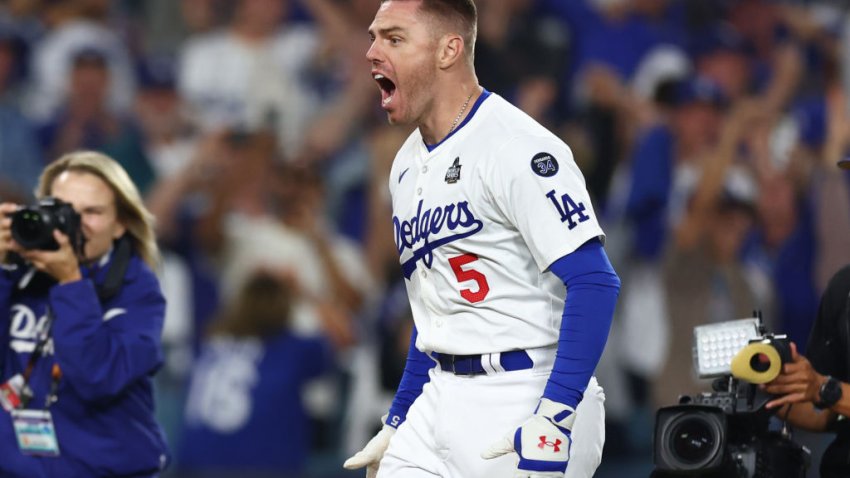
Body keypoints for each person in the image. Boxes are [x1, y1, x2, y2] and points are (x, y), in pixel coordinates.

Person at [344, 1, 621, 477]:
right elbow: (436, 313)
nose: (371, 52)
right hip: (439, 394)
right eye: (374, 37)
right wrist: (401, 415)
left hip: (525, 391)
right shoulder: (406, 164)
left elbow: (595, 282)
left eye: (393, 39)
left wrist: (555, 410)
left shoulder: (518, 146)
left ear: (449, 50)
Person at [0, 151, 169, 477]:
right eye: (63, 209)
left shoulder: (137, 292)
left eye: (92, 212)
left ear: (120, 224)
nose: (75, 225)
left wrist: (70, 283)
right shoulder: (18, 275)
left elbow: (97, 377)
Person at [177, 269, 334, 477]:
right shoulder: (294, 349)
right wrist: (303, 294)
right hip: (260, 467)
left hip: (191, 468)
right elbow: (343, 338)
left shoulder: (210, 347)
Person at [763, 264, 850, 478]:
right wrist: (777, 388)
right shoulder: (843, 288)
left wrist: (824, 389)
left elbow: (826, 390)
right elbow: (824, 415)